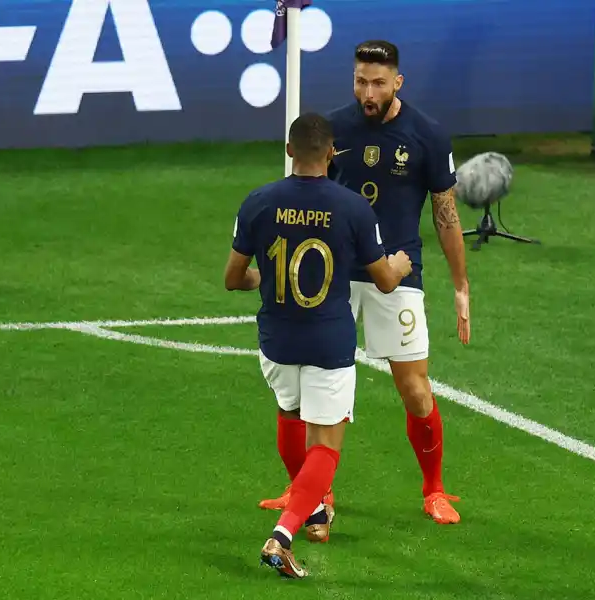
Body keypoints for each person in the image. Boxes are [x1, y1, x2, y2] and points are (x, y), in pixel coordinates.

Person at [258, 40, 471, 525]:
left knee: (415, 388)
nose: (368, 92)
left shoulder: (428, 135)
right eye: (360, 81)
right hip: (334, 274)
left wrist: (460, 285)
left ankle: (434, 489)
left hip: (396, 274)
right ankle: (310, 493)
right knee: (300, 390)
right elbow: (303, 195)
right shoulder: (333, 131)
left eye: (378, 83)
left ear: (398, 82)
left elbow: (446, 214)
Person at [224, 112, 411, 578]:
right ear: (331, 154)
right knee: (326, 447)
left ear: (290, 151)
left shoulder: (258, 202)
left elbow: (233, 278)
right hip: (328, 341)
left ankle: (313, 510)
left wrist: (261, 278)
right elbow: (385, 281)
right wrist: (402, 264)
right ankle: (282, 535)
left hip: (277, 340)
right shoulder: (352, 208)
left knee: (290, 415)